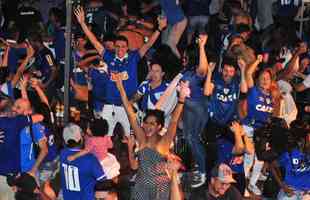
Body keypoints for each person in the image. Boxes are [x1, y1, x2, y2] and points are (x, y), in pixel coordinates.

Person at [74, 6, 167, 136]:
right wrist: (83, 23)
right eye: (117, 46)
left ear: (127, 47)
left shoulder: (134, 58)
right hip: (109, 105)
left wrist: (159, 29)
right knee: (105, 137)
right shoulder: (109, 57)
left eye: (123, 47)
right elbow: (95, 42)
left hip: (128, 106)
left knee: (131, 138)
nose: (120, 49)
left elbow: (148, 45)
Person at [115, 72, 187, 199]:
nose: (147, 126)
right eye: (146, 123)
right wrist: (120, 86)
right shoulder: (142, 139)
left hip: (159, 189)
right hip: (141, 188)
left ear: (159, 126)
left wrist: (181, 99)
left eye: (152, 124)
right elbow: (130, 114)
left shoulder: (163, 142)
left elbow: (174, 121)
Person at [181, 34, 209, 188]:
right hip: (188, 109)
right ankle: (198, 168)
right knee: (189, 139)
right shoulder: (186, 71)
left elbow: (204, 69)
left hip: (197, 109)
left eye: (186, 55)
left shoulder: (196, 73)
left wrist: (201, 47)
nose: (183, 57)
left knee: (193, 139)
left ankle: (203, 173)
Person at [60, 123, 107, 200]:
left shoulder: (62, 154)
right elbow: (103, 181)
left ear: (65, 141)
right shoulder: (90, 159)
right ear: (81, 139)